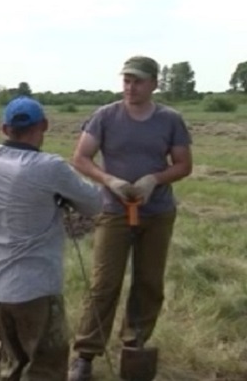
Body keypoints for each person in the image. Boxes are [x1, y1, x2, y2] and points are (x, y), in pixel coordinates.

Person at [68, 56, 193, 380]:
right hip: (114, 211)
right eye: (126, 80)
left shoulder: (170, 120)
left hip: (157, 213)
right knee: (104, 283)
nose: (130, 87)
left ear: (154, 83)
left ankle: (134, 345)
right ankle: (85, 355)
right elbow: (81, 158)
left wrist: (154, 180)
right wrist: (110, 181)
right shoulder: (105, 117)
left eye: (137, 81)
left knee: (148, 282)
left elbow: (183, 164)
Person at [0, 96, 102, 380]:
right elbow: (94, 204)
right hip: (34, 287)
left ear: (4, 129)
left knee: (11, 362)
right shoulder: (49, 166)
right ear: (44, 125)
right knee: (45, 367)